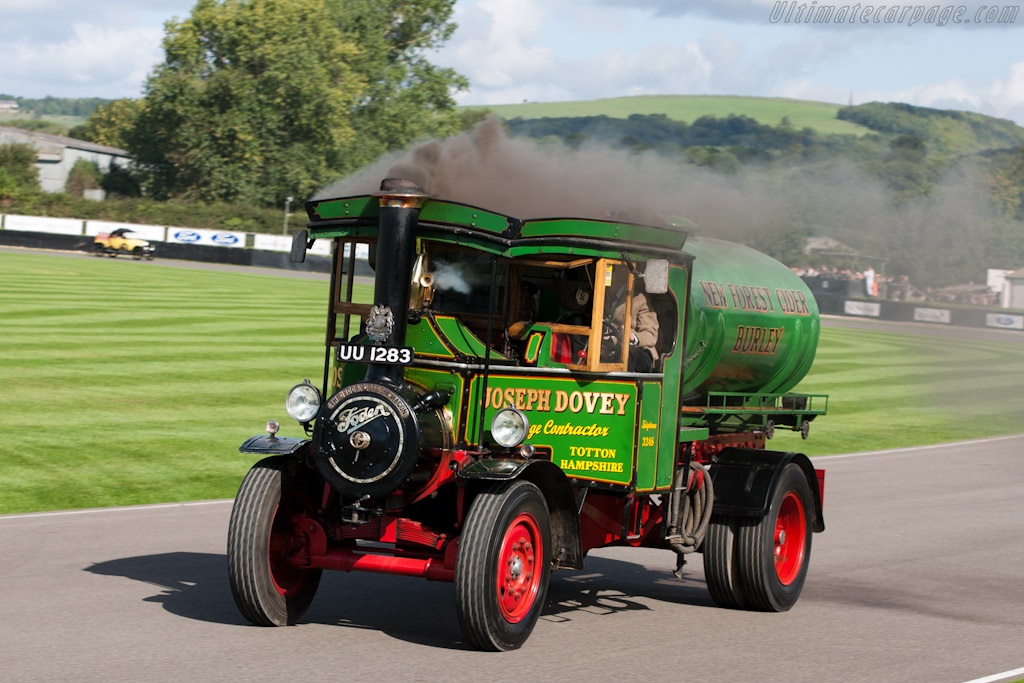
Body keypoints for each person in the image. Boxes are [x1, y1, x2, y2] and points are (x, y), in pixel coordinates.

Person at [603, 265, 659, 372]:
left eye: (611, 268)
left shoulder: (640, 298)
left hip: (637, 351)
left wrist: (632, 336)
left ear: (624, 270)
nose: (607, 272)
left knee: (626, 353)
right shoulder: (598, 292)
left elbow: (651, 335)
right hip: (605, 350)